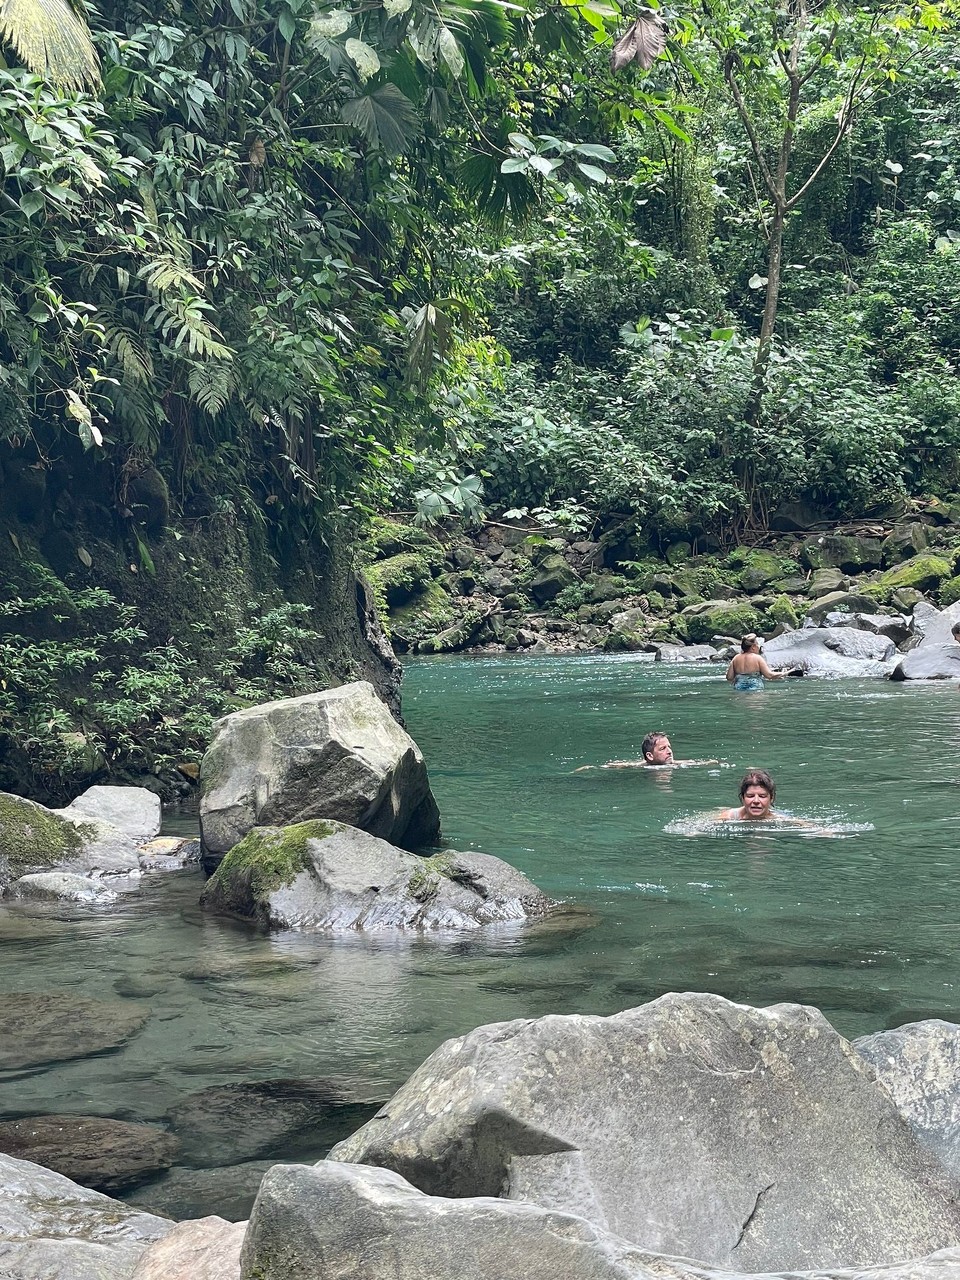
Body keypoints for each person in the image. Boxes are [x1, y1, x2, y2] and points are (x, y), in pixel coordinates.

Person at [577, 731, 719, 770]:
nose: (669, 751)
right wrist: (591, 768)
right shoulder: (642, 766)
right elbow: (622, 765)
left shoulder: (675, 764)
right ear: (650, 756)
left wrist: (708, 763)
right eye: (663, 749)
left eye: (669, 747)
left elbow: (693, 763)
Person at [725, 634, 798, 691]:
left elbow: (729, 677)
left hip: (739, 689)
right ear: (753, 646)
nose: (759, 646)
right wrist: (786, 673)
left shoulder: (736, 658)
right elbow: (769, 675)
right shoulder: (758, 658)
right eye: (757, 644)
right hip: (755, 689)